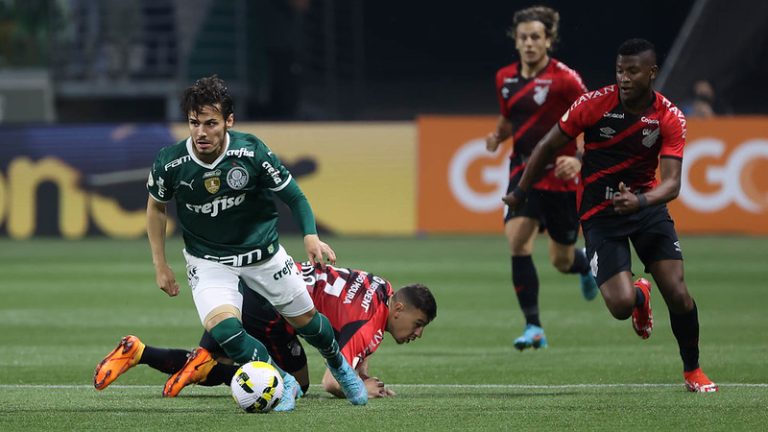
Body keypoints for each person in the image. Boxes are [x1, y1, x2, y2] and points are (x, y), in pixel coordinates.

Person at [139, 75, 367, 411]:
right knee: (224, 330)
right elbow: (156, 208)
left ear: (228, 121)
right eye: (193, 123)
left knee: (310, 325)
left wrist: (310, 235)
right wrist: (161, 264)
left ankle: (337, 363)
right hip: (209, 261)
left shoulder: (251, 151)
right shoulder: (171, 163)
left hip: (263, 255)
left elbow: (295, 195)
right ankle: (281, 381)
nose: (201, 132)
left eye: (211, 123)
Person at [502, 38, 718, 392]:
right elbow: (546, 146)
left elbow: (673, 184)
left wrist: (642, 202)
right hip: (600, 213)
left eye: (633, 71)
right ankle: (638, 296)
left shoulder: (668, 116)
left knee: (678, 293)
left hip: (646, 209)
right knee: (619, 305)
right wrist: (520, 193)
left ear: (651, 73)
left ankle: (692, 370)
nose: (624, 77)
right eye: (620, 70)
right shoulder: (593, 104)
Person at [93, 261, 438, 400]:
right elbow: (332, 382)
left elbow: (353, 336)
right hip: (271, 309)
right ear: (399, 309)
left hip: (251, 285)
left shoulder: (382, 289)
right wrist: (361, 385)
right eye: (418, 324)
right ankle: (204, 368)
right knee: (293, 385)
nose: (417, 333)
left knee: (213, 356)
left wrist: (361, 368)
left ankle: (137, 351)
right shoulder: (370, 325)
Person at [485, 5, 598, 351]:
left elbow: (594, 123)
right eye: (523, 38)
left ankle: (583, 267)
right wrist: (497, 136)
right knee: (518, 241)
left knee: (560, 260)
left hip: (561, 177)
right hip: (523, 171)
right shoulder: (505, 79)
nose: (529, 43)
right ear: (515, 42)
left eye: (536, 37)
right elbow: (511, 120)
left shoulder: (566, 80)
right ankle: (534, 326)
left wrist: (579, 159)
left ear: (549, 40)